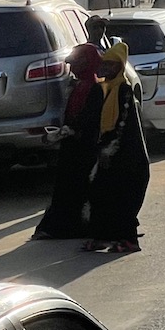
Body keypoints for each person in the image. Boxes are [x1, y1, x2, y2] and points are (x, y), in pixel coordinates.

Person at [84, 42, 150, 254]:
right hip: (108, 154)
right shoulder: (105, 89)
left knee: (122, 196)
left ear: (120, 67)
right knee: (99, 193)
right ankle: (102, 237)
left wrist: (111, 148)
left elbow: (123, 124)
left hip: (127, 157)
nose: (106, 69)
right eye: (105, 64)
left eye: (111, 65)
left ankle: (128, 239)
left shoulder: (124, 91)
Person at [33, 44, 104, 240]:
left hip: (84, 147)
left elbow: (92, 121)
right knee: (65, 185)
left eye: (76, 62)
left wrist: (74, 131)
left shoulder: (95, 88)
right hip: (71, 146)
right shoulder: (77, 86)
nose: (71, 66)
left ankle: (77, 226)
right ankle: (60, 226)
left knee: (80, 186)